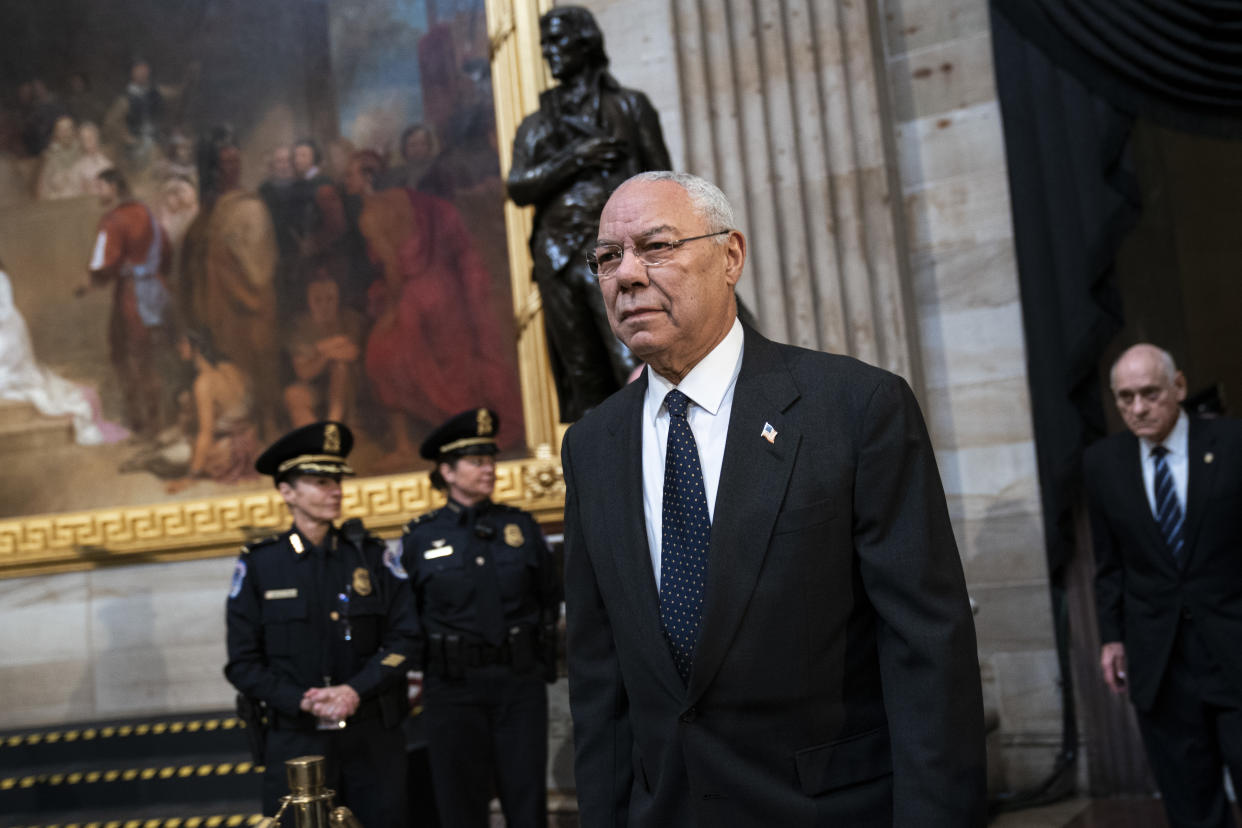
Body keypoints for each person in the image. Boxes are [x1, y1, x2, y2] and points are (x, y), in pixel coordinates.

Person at [561, 171, 986, 826]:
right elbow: (598, 680)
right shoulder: (591, 446)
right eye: (607, 257)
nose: (627, 275)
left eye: (657, 246)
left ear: (730, 256)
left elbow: (927, 653)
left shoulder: (854, 408)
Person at [224, 420, 418, 826]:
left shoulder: (369, 555)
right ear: (286, 491)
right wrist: (302, 699)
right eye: (318, 481)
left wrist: (354, 690)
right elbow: (242, 664)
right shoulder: (261, 565)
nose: (334, 490)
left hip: (371, 735)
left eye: (337, 480)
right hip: (297, 738)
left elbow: (406, 639)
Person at [1087, 343, 1242, 828]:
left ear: (1178, 387)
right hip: (1161, 658)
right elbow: (1109, 563)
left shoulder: (1233, 443)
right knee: (1190, 804)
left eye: (1150, 394)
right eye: (1125, 398)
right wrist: (1112, 636)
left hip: (1235, 646)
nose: (1137, 409)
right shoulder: (1103, 463)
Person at [507, 6, 671, 421]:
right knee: (584, 375)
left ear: (585, 42)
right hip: (559, 257)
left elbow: (668, 186)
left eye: (558, 40)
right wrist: (575, 158)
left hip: (620, 254)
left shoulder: (630, 107)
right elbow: (519, 185)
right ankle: (604, 472)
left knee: (634, 358)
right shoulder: (538, 123)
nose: (550, 52)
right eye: (544, 44)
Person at [400, 409, 562, 828]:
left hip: (517, 680)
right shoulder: (419, 538)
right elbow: (406, 613)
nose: (488, 469)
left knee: (526, 798)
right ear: (448, 472)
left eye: (490, 460)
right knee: (460, 801)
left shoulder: (521, 527)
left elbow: (549, 595)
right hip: (452, 687)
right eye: (476, 462)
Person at [345, 150, 521, 460]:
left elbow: (394, 269)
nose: (346, 180)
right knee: (455, 364)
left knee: (382, 359)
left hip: (414, 297)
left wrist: (392, 312)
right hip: (446, 289)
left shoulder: (370, 215)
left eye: (351, 174)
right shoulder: (406, 197)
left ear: (367, 178)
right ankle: (467, 432)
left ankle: (407, 445)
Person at [83, 167, 173, 437]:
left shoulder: (112, 220)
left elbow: (103, 263)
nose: (97, 193)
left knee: (124, 355)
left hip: (131, 297)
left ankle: (141, 424)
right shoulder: (147, 213)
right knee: (152, 358)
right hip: (158, 291)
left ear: (113, 187)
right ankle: (159, 422)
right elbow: (166, 250)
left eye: (100, 187)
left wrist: (92, 280)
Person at [164, 328, 259, 494]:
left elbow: (206, 433)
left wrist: (190, 477)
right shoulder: (230, 367)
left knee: (179, 452)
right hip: (250, 448)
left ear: (197, 346)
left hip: (228, 456)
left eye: (183, 343)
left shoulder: (204, 382)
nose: (179, 347)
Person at [282, 265, 365, 428]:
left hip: (350, 389)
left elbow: (351, 353)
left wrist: (318, 350)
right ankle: (312, 435)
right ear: (308, 300)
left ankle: (333, 425)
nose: (324, 306)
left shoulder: (350, 319)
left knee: (340, 367)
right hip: (317, 387)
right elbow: (303, 372)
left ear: (339, 298)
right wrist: (327, 353)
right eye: (317, 300)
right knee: (292, 395)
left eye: (330, 299)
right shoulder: (301, 326)